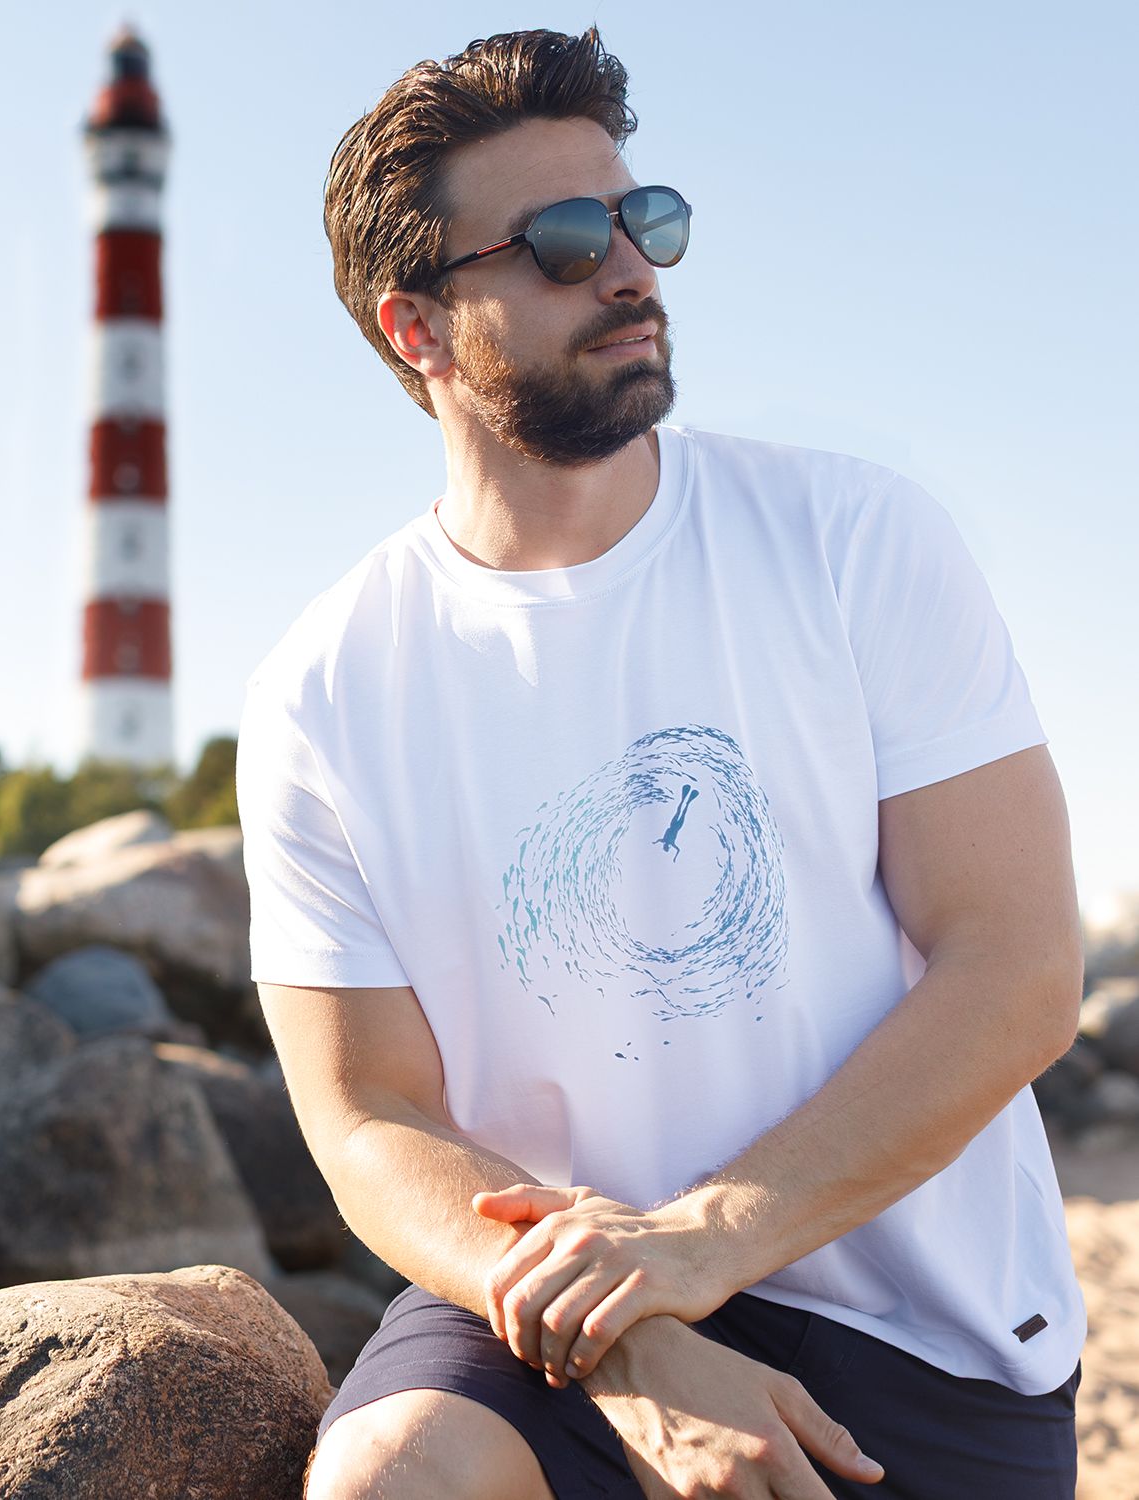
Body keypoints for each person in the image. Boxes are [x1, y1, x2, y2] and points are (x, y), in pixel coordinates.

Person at [235, 27, 1086, 1500]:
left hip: (916, 1324)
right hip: (545, 1298)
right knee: (390, 1476)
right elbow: (369, 1117)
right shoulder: (325, 693)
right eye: (565, 243)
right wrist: (627, 1331)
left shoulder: (853, 543)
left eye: (645, 219)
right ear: (416, 328)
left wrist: (700, 1245)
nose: (630, 269)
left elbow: (1014, 966)